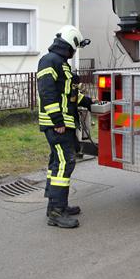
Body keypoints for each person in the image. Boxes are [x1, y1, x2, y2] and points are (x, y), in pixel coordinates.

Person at [37, 25, 94, 229]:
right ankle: (56, 212)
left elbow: (69, 96)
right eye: (75, 47)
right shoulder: (49, 61)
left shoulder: (60, 63)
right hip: (57, 125)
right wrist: (58, 121)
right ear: (70, 43)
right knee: (64, 163)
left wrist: (90, 102)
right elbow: (47, 93)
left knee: (58, 163)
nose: (74, 52)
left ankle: (56, 204)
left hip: (63, 124)